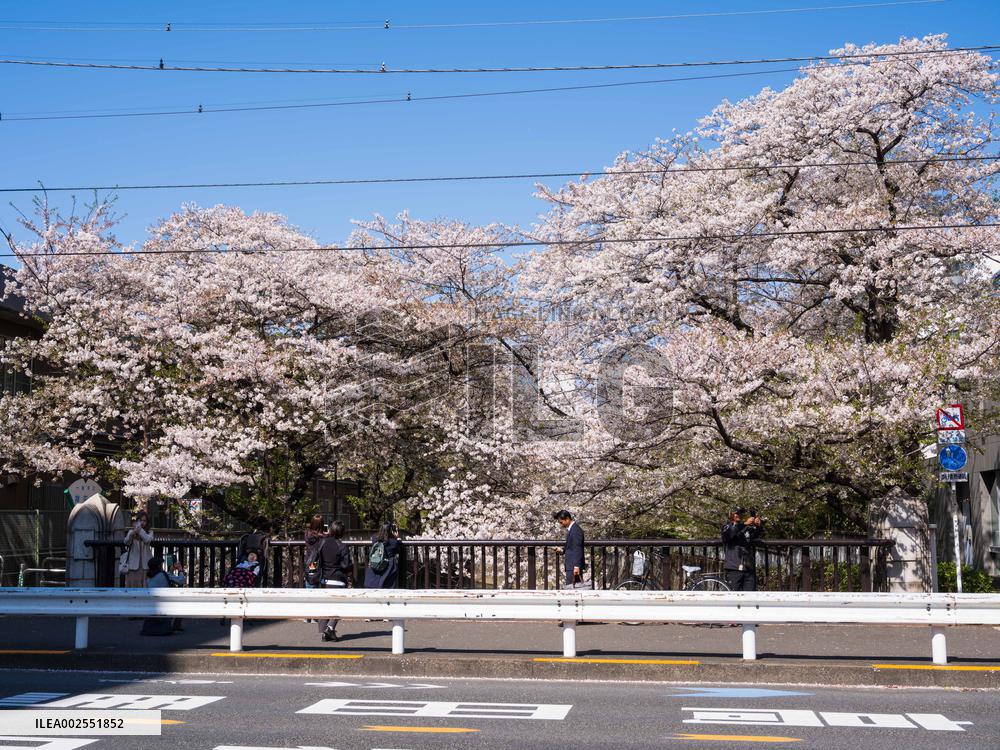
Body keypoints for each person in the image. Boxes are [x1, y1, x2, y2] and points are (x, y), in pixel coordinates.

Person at [316, 521, 352, 642]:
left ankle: (325, 630)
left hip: (324, 579)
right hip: (338, 579)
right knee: (339, 606)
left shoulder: (322, 543)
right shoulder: (342, 546)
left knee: (326, 605)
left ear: (330, 530)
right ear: (342, 533)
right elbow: (346, 565)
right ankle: (330, 628)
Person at [722, 507, 764, 591]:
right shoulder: (727, 526)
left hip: (748, 566)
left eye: (741, 513)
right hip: (734, 567)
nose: (739, 515)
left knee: (750, 595)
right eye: (737, 513)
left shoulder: (746, 527)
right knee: (734, 594)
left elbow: (757, 536)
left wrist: (758, 526)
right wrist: (745, 524)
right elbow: (730, 535)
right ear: (730, 514)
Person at [140, 557, 185, 636]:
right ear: (158, 566)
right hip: (165, 603)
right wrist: (180, 570)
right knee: (181, 602)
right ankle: (176, 626)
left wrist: (171, 571)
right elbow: (180, 581)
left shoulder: (148, 576)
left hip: (152, 603)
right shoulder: (164, 574)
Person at [553, 509, 586, 588]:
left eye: (561, 522)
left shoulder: (575, 530)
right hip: (572, 565)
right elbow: (572, 546)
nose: (561, 525)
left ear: (567, 519)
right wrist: (562, 550)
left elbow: (578, 548)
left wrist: (576, 566)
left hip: (573, 566)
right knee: (573, 588)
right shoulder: (573, 529)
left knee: (572, 588)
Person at [364, 522, 402, 589]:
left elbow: (376, 537)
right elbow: (398, 548)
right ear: (390, 530)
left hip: (375, 564)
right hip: (388, 567)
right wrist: (397, 538)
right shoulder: (393, 542)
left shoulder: (374, 538)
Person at [122, 510, 154, 588]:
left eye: (144, 521)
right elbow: (126, 542)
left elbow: (147, 540)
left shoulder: (150, 532)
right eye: (140, 520)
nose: (142, 523)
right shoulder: (131, 532)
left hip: (145, 566)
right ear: (137, 521)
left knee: (144, 588)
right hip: (133, 566)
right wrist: (132, 533)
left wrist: (140, 531)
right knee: (132, 588)